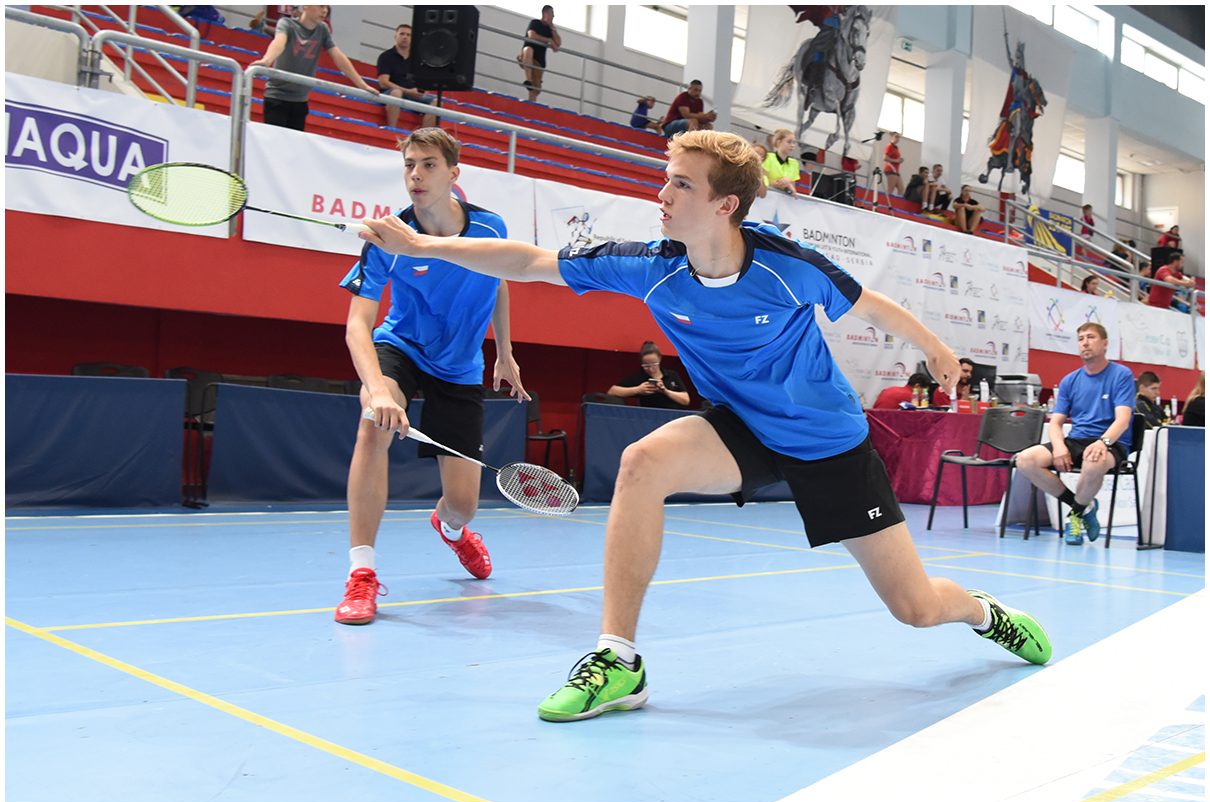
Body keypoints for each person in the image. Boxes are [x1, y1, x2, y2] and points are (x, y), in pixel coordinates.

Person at [358, 129, 1053, 723]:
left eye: (681, 184)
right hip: (741, 427)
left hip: (826, 442)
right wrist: (421, 244)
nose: (662, 194)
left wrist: (934, 347)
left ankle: (984, 614)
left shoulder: (785, 267)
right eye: (666, 179)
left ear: (726, 205)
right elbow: (531, 262)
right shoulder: (652, 268)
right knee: (642, 463)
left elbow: (868, 303)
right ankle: (618, 660)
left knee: (915, 607)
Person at [335, 128, 527, 626]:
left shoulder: (489, 228)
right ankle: (361, 574)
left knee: (463, 505)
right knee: (371, 425)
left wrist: (504, 351)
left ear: (453, 173)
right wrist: (377, 389)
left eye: (428, 164)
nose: (416, 175)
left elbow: (499, 281)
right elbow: (357, 325)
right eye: (409, 165)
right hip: (402, 346)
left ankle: (452, 530)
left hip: (460, 366)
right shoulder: (387, 237)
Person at [1015, 322, 1134, 545]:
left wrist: (1103, 442)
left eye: (1091, 337)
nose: (1085, 343)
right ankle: (1082, 507)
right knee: (1025, 460)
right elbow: (1056, 422)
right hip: (1076, 440)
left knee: (1093, 461)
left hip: (1111, 442)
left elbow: (1123, 420)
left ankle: (1074, 517)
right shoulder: (1070, 380)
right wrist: (1059, 446)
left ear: (1105, 343)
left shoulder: (1121, 375)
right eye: (1081, 339)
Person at [250, 5, 378, 132]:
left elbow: (338, 56)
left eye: (326, 7)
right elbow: (279, 42)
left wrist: (362, 85)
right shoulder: (286, 24)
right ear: (306, 5)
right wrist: (266, 61)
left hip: (300, 100)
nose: (325, 11)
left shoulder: (322, 29)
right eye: (320, 6)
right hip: (277, 97)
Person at [376, 24, 439, 130]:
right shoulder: (386, 57)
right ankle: (391, 129)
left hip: (413, 95)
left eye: (408, 35)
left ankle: (422, 135)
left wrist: (423, 90)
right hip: (392, 93)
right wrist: (407, 91)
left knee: (437, 101)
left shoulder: (418, 60)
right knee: (396, 93)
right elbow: (383, 83)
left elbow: (424, 81)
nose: (405, 37)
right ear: (395, 37)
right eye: (402, 34)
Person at [607, 341, 690, 409]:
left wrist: (665, 391)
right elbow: (612, 391)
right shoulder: (639, 378)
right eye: (646, 366)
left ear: (660, 359)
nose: (651, 369)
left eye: (654, 364)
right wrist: (638, 390)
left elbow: (686, 400)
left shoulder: (672, 375)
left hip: (675, 415)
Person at [519, 5, 560, 102]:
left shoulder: (549, 30)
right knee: (528, 50)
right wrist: (549, 40)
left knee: (535, 91)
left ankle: (531, 105)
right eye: (551, 14)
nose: (553, 16)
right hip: (527, 56)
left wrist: (552, 28)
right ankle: (528, 79)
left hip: (539, 61)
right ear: (546, 14)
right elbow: (531, 35)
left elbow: (558, 43)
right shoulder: (535, 23)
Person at [762, 128, 801, 198]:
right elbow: (762, 180)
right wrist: (783, 183)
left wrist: (788, 182)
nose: (792, 145)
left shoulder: (794, 163)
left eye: (793, 142)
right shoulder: (768, 157)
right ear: (779, 142)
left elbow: (792, 187)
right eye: (789, 142)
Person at [883, 131, 904, 196]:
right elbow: (885, 157)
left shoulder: (896, 148)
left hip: (896, 170)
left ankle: (898, 200)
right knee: (891, 188)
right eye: (896, 137)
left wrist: (899, 160)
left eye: (899, 137)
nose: (897, 139)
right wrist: (896, 161)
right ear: (892, 137)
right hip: (891, 169)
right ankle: (887, 200)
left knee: (901, 189)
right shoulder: (890, 146)